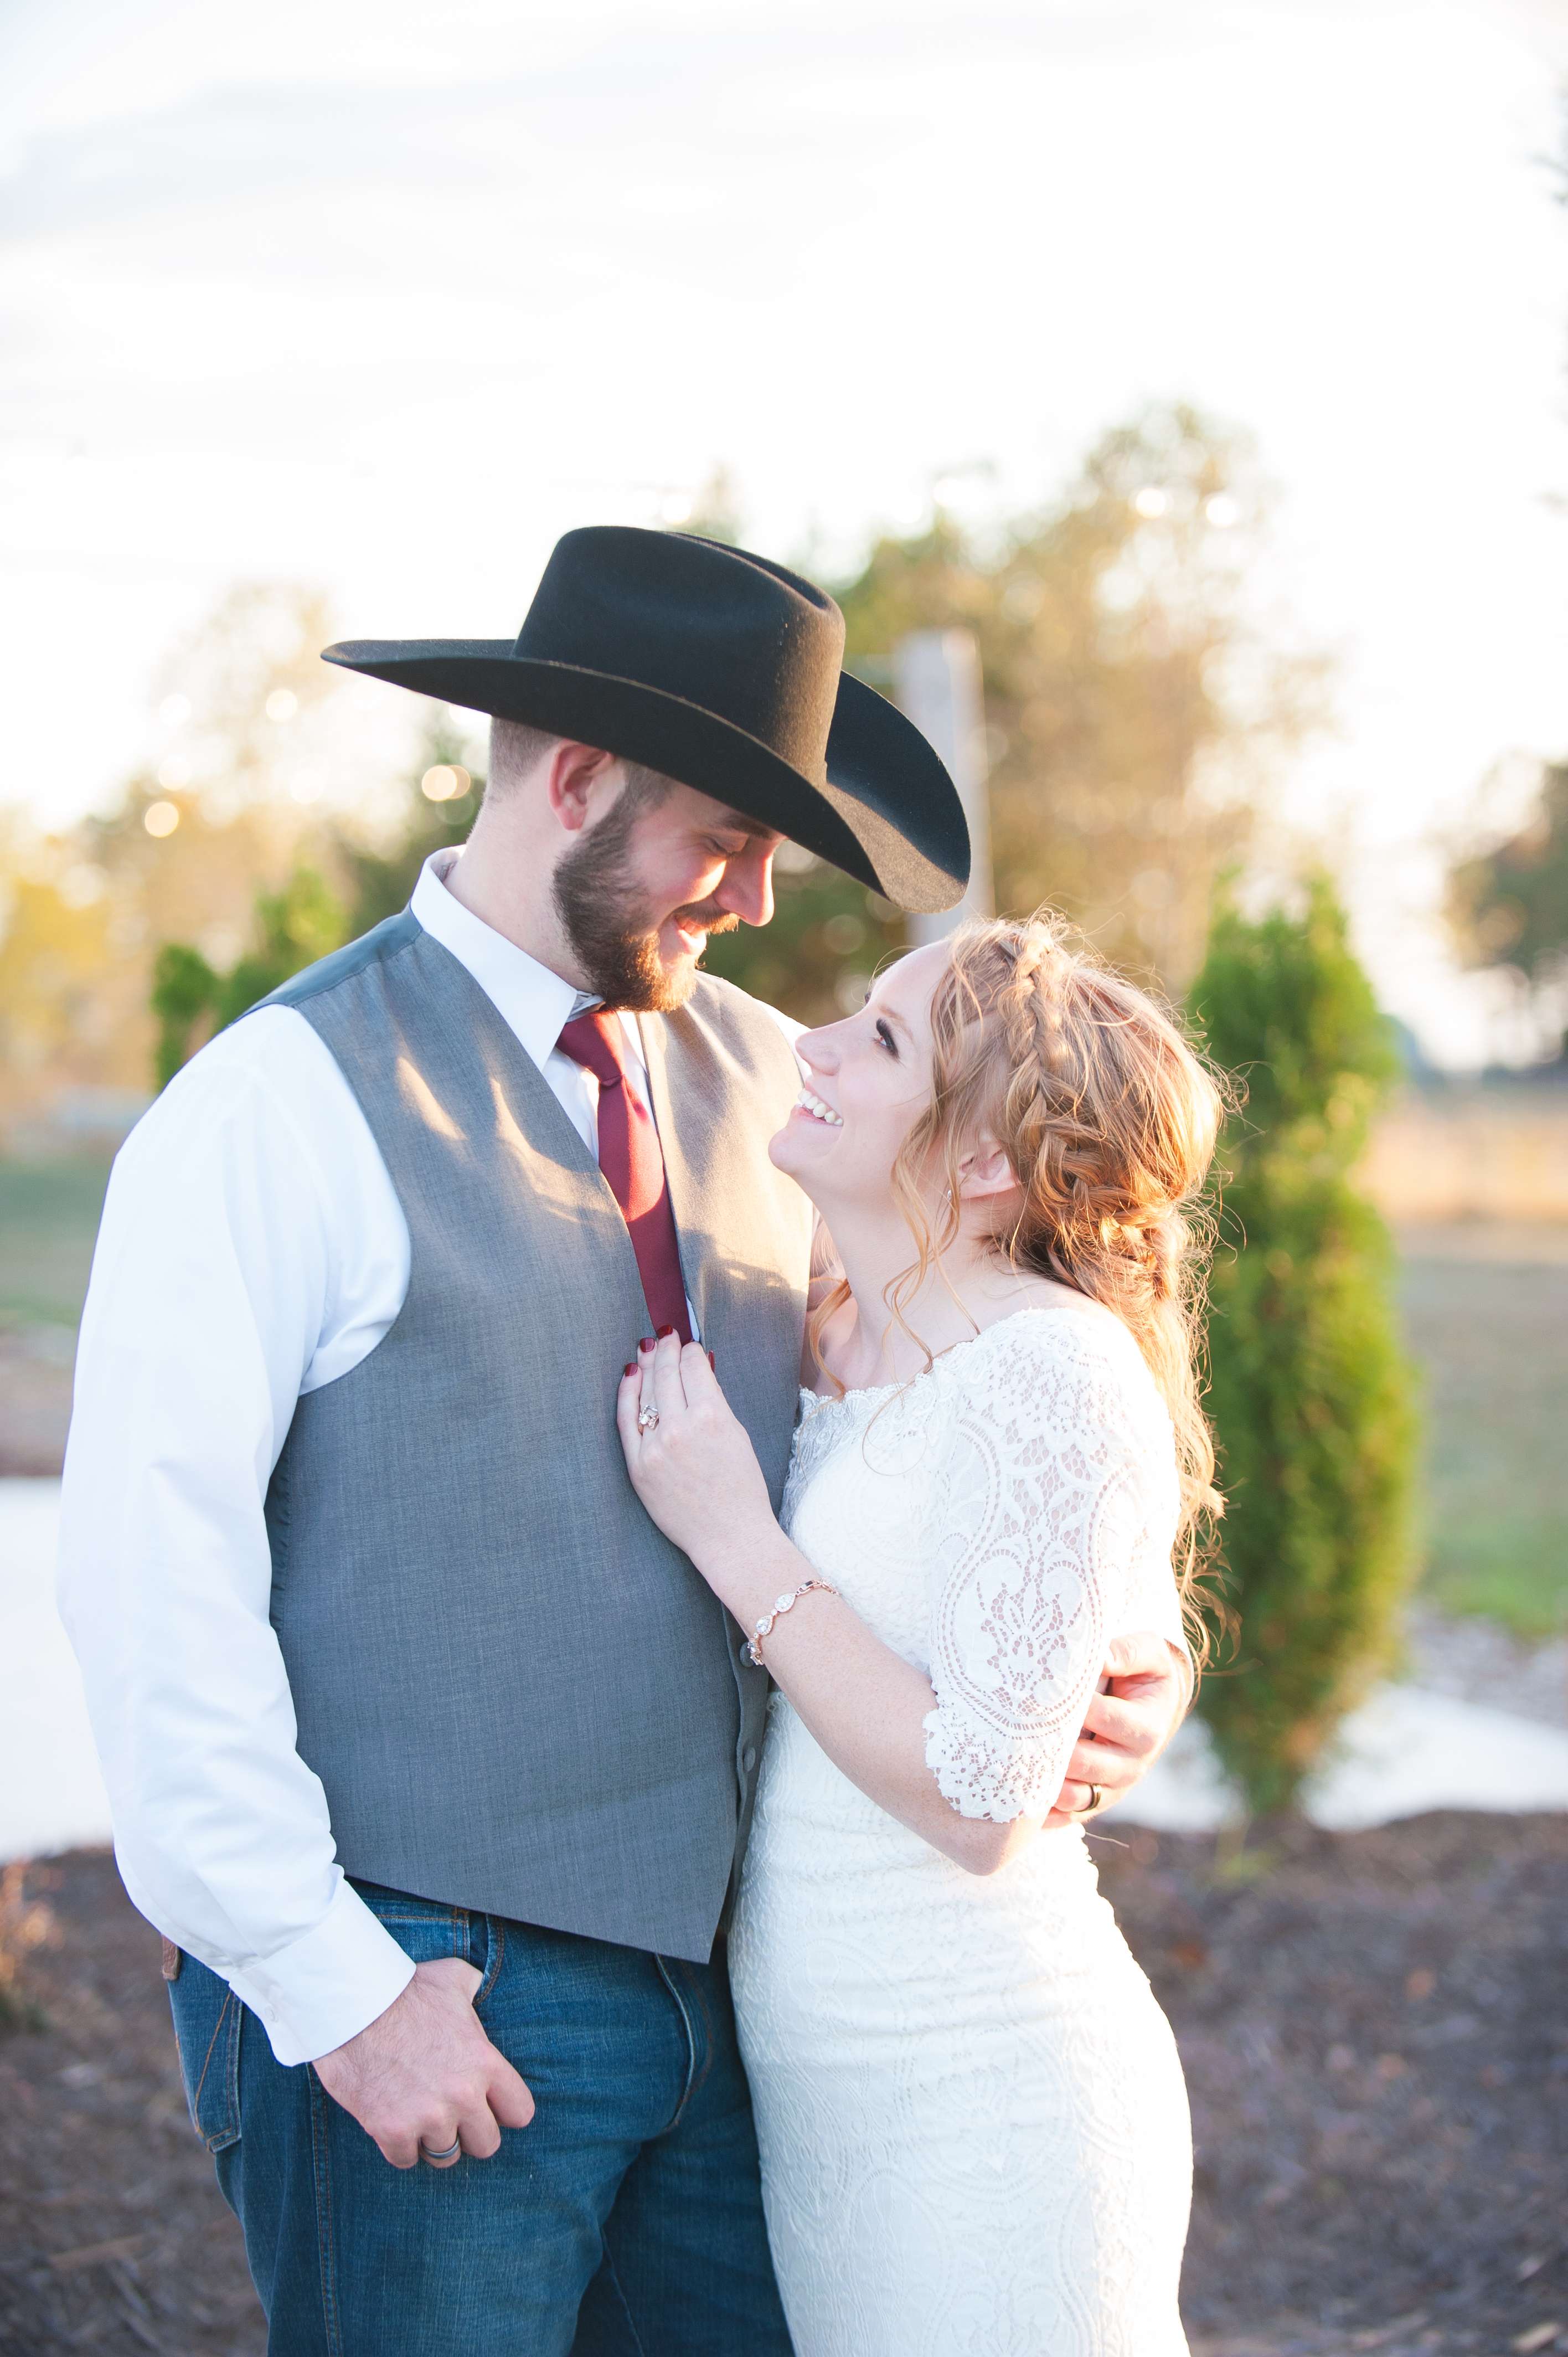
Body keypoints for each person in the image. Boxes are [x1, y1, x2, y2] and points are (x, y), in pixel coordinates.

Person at [59, 525, 1190, 2356]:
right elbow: (148, 1589)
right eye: (725, 841)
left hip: (755, 2021)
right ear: (576, 781)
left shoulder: (791, 1095)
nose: (750, 900)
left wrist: (1113, 1681)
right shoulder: (276, 1107)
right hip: (439, 1988)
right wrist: (335, 1990)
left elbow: (969, 1428)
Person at [616, 914, 1220, 2354]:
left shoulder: (1052, 1370)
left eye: (880, 1038)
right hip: (832, 2102)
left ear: (987, 1161)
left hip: (989, 2088)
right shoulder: (836, 1326)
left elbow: (977, 1800)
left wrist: (736, 1540)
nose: (811, 1047)